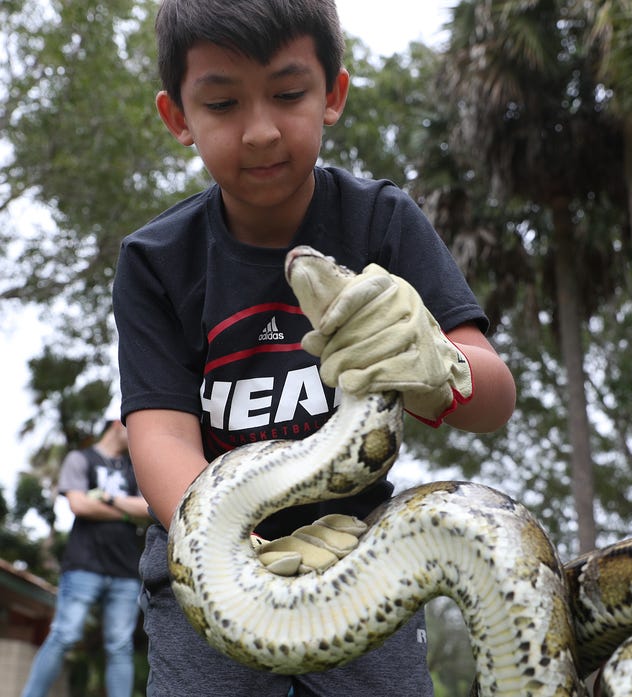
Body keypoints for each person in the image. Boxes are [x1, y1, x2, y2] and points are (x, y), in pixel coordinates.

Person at [111, 1, 516, 696]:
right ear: (178, 117)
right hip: (205, 574)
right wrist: (234, 554)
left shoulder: (383, 220)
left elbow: (493, 397)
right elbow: (160, 438)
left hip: (363, 558)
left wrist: (435, 364)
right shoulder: (154, 260)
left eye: (289, 93)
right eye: (223, 102)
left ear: (333, 95)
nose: (261, 129)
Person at [20, 419, 149, 697]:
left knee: (120, 646)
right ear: (117, 425)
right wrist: (128, 512)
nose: (140, 435)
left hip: (126, 569)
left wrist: (106, 499)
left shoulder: (135, 468)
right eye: (134, 428)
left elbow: (149, 508)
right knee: (64, 636)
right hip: (83, 566)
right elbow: (78, 504)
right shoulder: (81, 459)